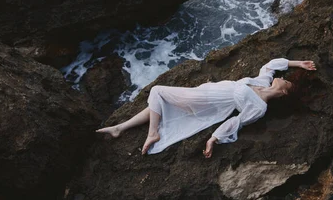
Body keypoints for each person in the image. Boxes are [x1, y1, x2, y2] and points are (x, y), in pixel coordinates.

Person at [96, 58, 316, 157]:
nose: (282, 78)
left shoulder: (259, 108)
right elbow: (270, 65)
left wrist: (213, 139)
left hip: (205, 102)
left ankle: (153, 133)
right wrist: (298, 64)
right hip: (205, 93)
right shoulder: (262, 81)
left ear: (285, 92)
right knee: (161, 105)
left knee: (157, 92)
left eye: (286, 81)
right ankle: (120, 128)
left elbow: (235, 122)